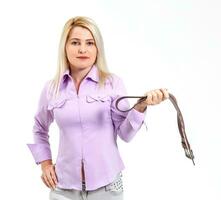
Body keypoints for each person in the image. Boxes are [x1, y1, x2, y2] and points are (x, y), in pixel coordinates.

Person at [26, 16, 169, 200]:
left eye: (90, 43)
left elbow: (125, 134)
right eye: (75, 42)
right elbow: (39, 128)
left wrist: (141, 107)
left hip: (107, 187)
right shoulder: (51, 88)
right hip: (64, 187)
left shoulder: (112, 83)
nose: (83, 49)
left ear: (97, 48)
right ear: (65, 47)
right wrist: (45, 164)